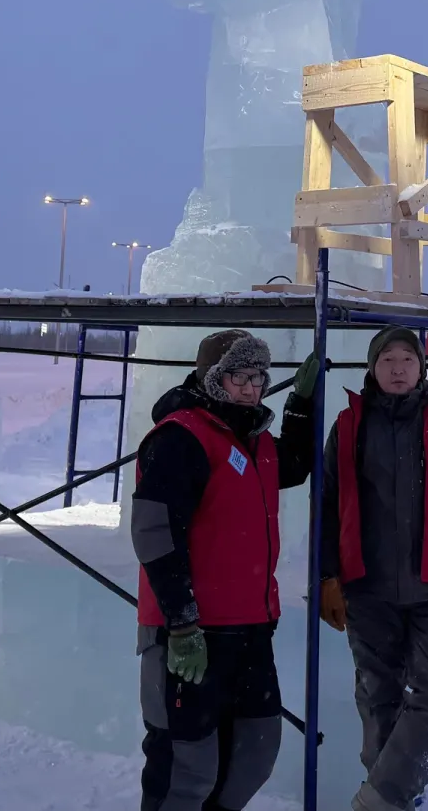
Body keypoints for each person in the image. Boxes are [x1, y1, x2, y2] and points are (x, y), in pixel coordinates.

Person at [131, 329, 315, 811]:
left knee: (252, 756)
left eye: (259, 377)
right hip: (189, 635)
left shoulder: (253, 441)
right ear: (213, 379)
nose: (252, 388)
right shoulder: (180, 437)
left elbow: (294, 464)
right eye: (239, 376)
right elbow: (153, 533)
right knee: (186, 771)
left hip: (249, 630)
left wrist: (301, 403)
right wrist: (182, 620)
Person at [317, 326, 428, 811]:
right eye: (387, 360)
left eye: (407, 360)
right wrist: (327, 574)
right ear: (372, 368)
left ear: (422, 369)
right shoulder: (349, 425)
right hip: (367, 586)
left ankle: (379, 798)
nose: (397, 369)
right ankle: (393, 799)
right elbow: (327, 504)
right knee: (378, 698)